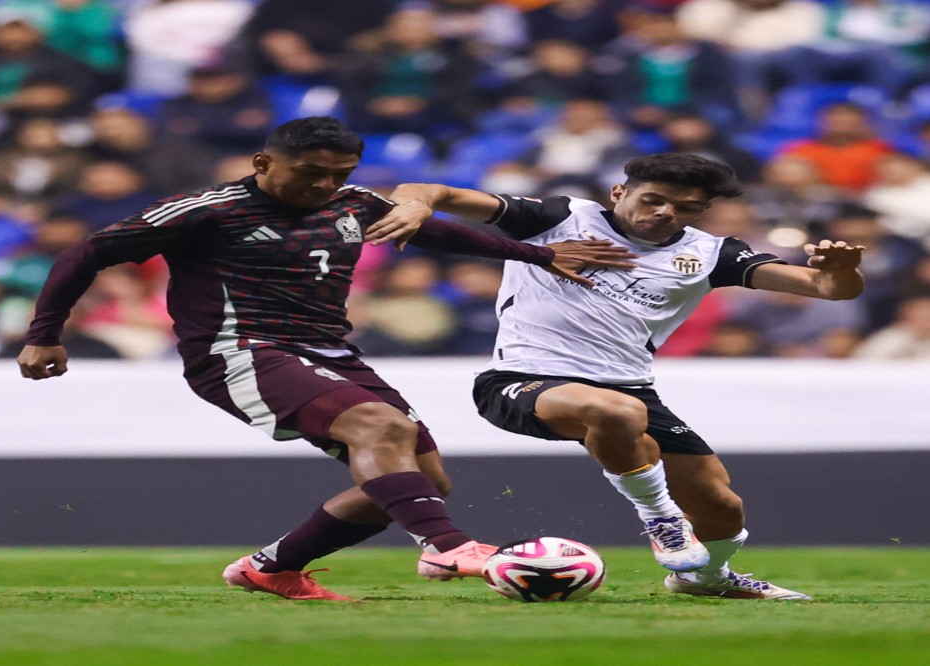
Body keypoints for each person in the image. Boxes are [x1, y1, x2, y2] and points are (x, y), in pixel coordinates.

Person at [15, 116, 634, 601]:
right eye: (310, 172)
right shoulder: (208, 210)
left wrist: (538, 255)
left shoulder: (352, 202)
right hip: (238, 350)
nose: (323, 185)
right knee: (381, 429)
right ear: (263, 163)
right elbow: (86, 254)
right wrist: (45, 332)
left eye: (337, 173)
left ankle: (272, 569)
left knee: (422, 479)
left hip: (330, 351)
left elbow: (425, 229)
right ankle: (447, 545)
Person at [368, 152, 867, 599]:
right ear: (619, 193)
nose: (666, 213)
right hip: (521, 380)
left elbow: (828, 288)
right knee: (616, 413)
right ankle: (662, 522)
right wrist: (414, 205)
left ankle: (704, 578)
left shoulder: (710, 254)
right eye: (653, 200)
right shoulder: (559, 218)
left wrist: (841, 269)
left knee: (721, 507)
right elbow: (429, 191)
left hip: (630, 388)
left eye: (686, 207)